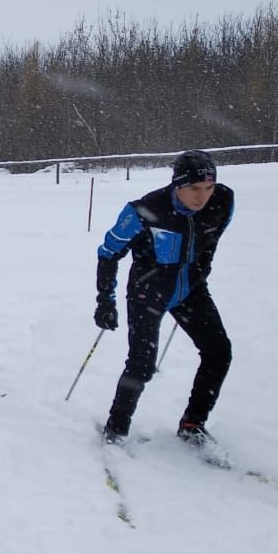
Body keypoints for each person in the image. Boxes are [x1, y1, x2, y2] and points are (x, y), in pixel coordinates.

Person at [96, 150, 234, 446]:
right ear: (177, 185)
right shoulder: (144, 210)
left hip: (189, 290)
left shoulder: (223, 202)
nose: (202, 197)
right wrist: (105, 300)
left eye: (208, 188)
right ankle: (116, 429)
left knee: (219, 352)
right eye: (194, 189)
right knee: (142, 365)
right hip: (148, 292)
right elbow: (108, 253)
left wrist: (200, 270)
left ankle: (192, 424)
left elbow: (211, 240)